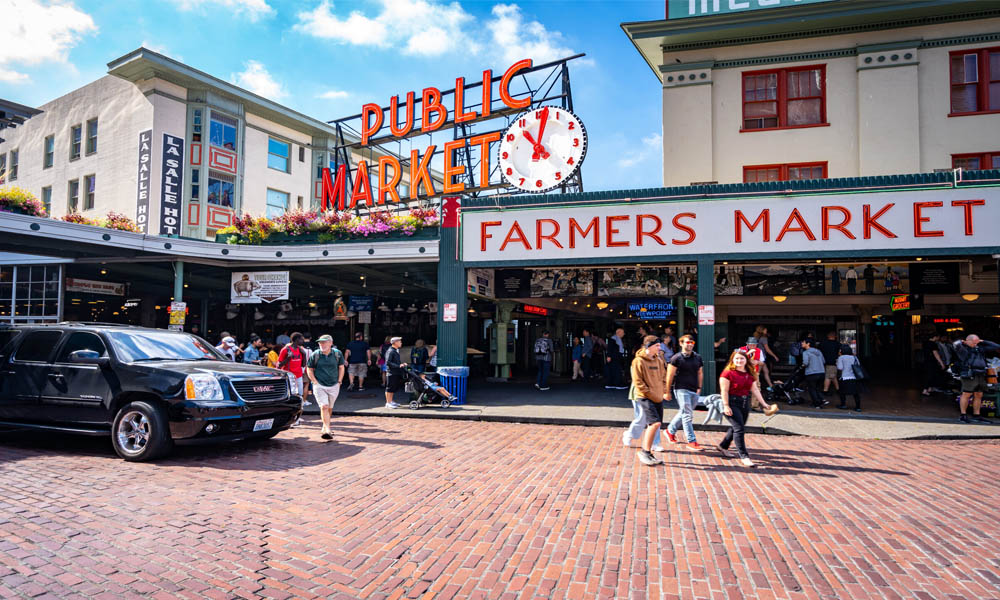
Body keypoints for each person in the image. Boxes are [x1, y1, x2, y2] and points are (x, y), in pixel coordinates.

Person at [717, 350, 774, 468]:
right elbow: (724, 391)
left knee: (737, 427)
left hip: (744, 403)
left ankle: (723, 446)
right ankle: (744, 456)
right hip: (731, 402)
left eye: (741, 358)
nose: (739, 361)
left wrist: (764, 403)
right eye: (736, 358)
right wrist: (726, 405)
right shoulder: (727, 373)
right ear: (732, 360)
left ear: (746, 360)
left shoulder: (749, 373)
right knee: (739, 429)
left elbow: (755, 390)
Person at [630, 335, 669, 466]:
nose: (660, 348)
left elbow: (664, 377)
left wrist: (663, 391)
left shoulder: (658, 361)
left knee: (654, 425)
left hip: (657, 396)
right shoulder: (638, 361)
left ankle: (648, 452)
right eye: (657, 346)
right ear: (649, 346)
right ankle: (645, 452)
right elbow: (638, 382)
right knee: (655, 423)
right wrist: (650, 393)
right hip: (645, 396)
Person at [664, 334, 704, 451]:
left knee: (684, 412)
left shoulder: (698, 357)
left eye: (692, 343)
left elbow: (700, 372)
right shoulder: (676, 358)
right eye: (687, 342)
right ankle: (691, 441)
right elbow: (669, 375)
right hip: (681, 389)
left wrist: (699, 387)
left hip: (694, 389)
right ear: (681, 343)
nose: (690, 344)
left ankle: (670, 430)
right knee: (687, 415)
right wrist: (667, 391)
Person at [952, 334, 1000, 424]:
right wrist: (963, 342)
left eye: (976, 342)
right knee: (966, 394)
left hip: (980, 374)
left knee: (979, 394)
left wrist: (983, 341)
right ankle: (963, 415)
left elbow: (996, 346)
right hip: (969, 374)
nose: (975, 344)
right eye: (974, 342)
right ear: (968, 341)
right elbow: (955, 344)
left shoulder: (979, 348)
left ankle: (976, 415)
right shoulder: (963, 349)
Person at [307, 334, 345, 440]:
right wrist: (314, 382)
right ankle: (327, 429)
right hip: (319, 384)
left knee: (329, 407)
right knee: (324, 406)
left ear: (330, 343)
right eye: (320, 342)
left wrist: (339, 381)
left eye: (324, 342)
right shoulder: (315, 354)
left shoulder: (337, 354)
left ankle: (325, 426)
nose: (321, 344)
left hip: (334, 384)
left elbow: (341, 367)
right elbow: (309, 368)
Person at [278, 333, 307, 426]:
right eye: (301, 339)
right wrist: (288, 358)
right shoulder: (285, 350)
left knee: (300, 396)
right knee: (292, 397)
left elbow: (303, 364)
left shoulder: (300, 350)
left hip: (298, 376)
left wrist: (304, 355)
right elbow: (279, 365)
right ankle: (291, 418)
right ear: (296, 340)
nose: (303, 341)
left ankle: (297, 416)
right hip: (289, 376)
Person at [801, 338, 828, 408]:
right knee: (817, 388)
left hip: (811, 373)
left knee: (812, 389)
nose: (802, 343)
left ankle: (817, 404)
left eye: (803, 342)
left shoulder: (806, 352)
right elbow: (824, 361)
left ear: (808, 344)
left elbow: (806, 363)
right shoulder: (819, 351)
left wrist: (802, 365)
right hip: (821, 372)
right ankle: (822, 400)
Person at [836, 344, 862, 412]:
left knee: (842, 392)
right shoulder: (854, 357)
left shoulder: (841, 358)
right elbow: (858, 365)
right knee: (856, 393)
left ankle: (843, 405)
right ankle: (858, 407)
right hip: (854, 378)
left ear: (842, 351)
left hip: (845, 377)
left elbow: (840, 367)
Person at [383, 336, 406, 409]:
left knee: (393, 387)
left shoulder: (395, 350)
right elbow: (388, 362)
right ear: (395, 343)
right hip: (391, 372)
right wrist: (399, 365)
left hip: (395, 372)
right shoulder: (391, 351)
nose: (401, 343)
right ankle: (388, 403)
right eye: (399, 341)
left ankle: (391, 401)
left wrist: (400, 365)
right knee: (389, 388)